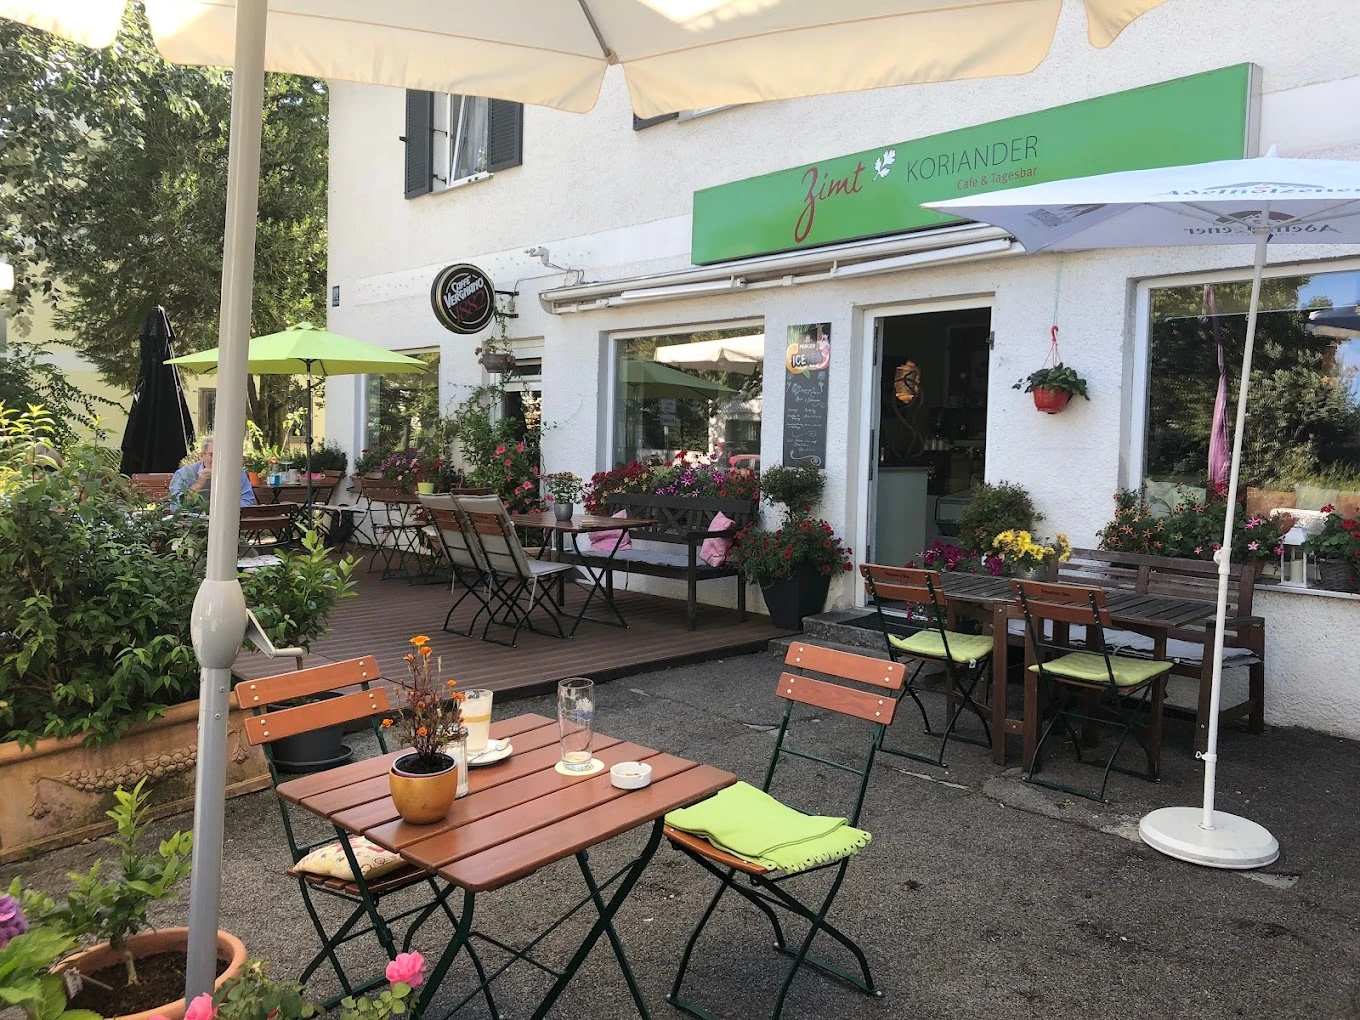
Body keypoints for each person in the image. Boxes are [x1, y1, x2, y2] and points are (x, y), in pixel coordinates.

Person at [169, 435, 257, 507]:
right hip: (192, 521)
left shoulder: (237, 473)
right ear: (202, 456)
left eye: (221, 455)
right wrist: (198, 485)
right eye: (211, 455)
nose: (216, 460)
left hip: (226, 521)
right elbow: (175, 506)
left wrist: (227, 508)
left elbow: (248, 501)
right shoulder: (184, 473)